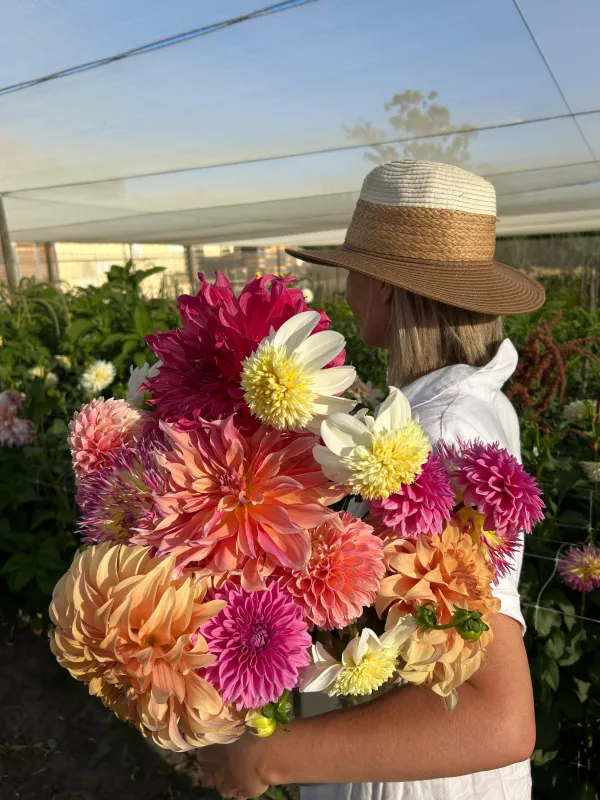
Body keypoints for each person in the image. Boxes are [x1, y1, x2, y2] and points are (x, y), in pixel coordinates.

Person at [197, 160, 546, 800]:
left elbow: (498, 718)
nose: (347, 290)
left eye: (353, 272)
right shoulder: (469, 403)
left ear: (387, 289)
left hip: (416, 776)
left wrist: (267, 758)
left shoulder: (439, 437)